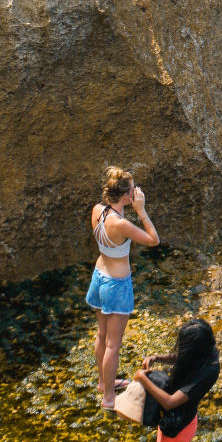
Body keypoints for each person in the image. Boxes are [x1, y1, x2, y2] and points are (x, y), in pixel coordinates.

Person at [85, 167, 159, 409]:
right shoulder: (121, 223)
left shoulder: (98, 210)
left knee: (101, 335)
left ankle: (103, 383)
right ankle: (108, 398)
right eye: (134, 191)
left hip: (99, 276)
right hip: (117, 285)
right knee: (113, 345)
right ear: (127, 197)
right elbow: (153, 240)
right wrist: (141, 210)